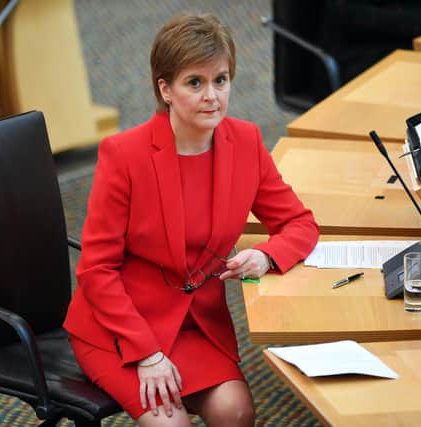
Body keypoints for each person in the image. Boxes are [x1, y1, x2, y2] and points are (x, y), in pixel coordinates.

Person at [64, 13, 319, 426]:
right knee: (172, 424)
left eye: (220, 79)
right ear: (165, 88)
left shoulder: (246, 142)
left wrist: (267, 257)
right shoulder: (124, 156)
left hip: (196, 325)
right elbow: (95, 270)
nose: (211, 96)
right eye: (194, 83)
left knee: (236, 412)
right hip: (121, 329)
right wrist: (146, 354)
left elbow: (301, 224)